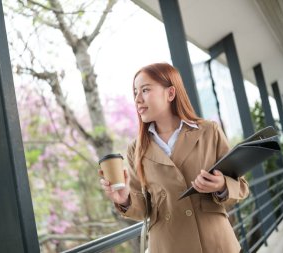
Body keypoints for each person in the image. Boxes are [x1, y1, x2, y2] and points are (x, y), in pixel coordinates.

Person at [99, 63, 249, 253]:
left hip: (216, 244)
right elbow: (143, 208)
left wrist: (221, 186)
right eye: (135, 92)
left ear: (170, 94)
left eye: (145, 90)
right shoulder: (136, 149)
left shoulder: (208, 132)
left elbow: (241, 186)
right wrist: (124, 199)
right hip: (169, 246)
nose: (137, 99)